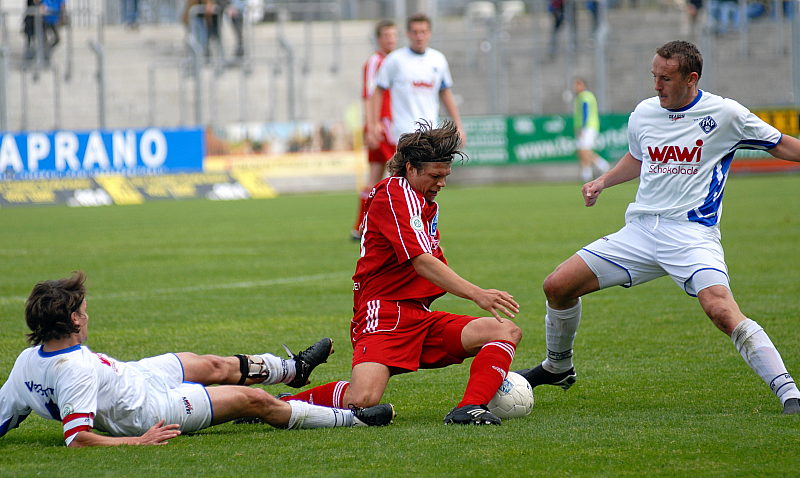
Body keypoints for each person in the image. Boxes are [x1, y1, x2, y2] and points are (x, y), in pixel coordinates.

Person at [515, 40, 800, 414]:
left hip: (691, 234)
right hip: (640, 232)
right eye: (653, 76)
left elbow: (779, 144)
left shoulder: (726, 114)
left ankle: (789, 393)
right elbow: (638, 157)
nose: (656, 85)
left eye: (665, 78)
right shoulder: (645, 113)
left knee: (721, 309)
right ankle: (558, 366)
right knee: (557, 286)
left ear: (691, 78)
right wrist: (603, 181)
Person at [282, 121, 522, 425]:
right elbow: (421, 261)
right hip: (383, 314)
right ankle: (280, 406)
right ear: (410, 168)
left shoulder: (422, 202)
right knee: (363, 399)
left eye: (445, 176)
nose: (442, 183)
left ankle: (470, 408)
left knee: (505, 331)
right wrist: (478, 294)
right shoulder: (395, 194)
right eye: (435, 176)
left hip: (418, 316)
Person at [0, 272, 395, 447]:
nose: (88, 316)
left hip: (133, 375)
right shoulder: (76, 372)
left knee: (210, 364)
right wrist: (140, 440)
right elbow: (78, 438)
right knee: (252, 401)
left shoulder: (27, 361)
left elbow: (5, 415)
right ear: (72, 319)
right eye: (84, 311)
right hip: (148, 410)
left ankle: (295, 370)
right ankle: (353, 419)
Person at [366, 13, 465, 157]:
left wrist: (458, 124)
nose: (419, 36)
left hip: (431, 131)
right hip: (404, 131)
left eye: (423, 32)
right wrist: (374, 123)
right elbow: (378, 90)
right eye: (415, 32)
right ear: (408, 34)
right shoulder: (395, 60)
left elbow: (445, 92)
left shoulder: (438, 59)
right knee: (406, 174)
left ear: (429, 33)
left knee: (430, 175)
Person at [352, 19, 398, 241]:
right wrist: (372, 125)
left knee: (376, 174)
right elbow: (369, 94)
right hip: (381, 126)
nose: (391, 39)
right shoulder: (375, 62)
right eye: (387, 35)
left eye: (393, 35)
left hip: (388, 124)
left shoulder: (395, 61)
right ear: (379, 39)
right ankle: (388, 226)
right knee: (398, 174)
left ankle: (362, 226)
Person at [573, 78, 610, 182]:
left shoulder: (585, 96)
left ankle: (592, 170)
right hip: (584, 126)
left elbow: (585, 110)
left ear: (583, 85)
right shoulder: (581, 96)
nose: (575, 87)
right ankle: (594, 169)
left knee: (584, 149)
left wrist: (583, 127)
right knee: (582, 150)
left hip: (588, 126)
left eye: (577, 84)